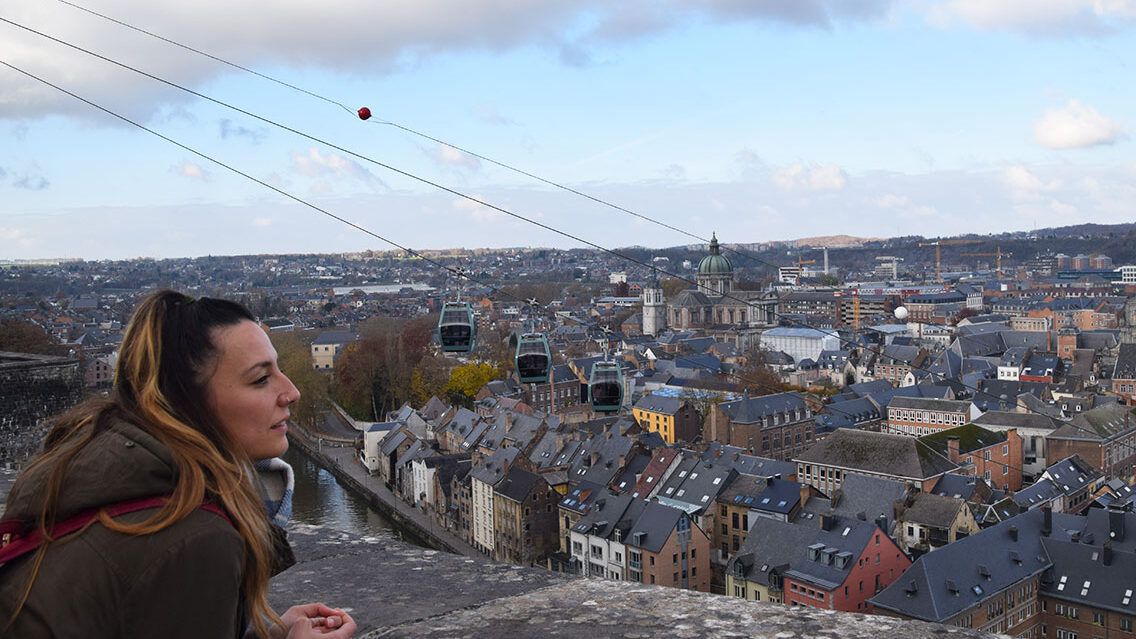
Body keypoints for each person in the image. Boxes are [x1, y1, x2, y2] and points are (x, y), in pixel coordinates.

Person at [0, 290, 357, 638]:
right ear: (187, 402)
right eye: (260, 378)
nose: (291, 391)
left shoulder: (97, 470)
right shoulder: (195, 535)